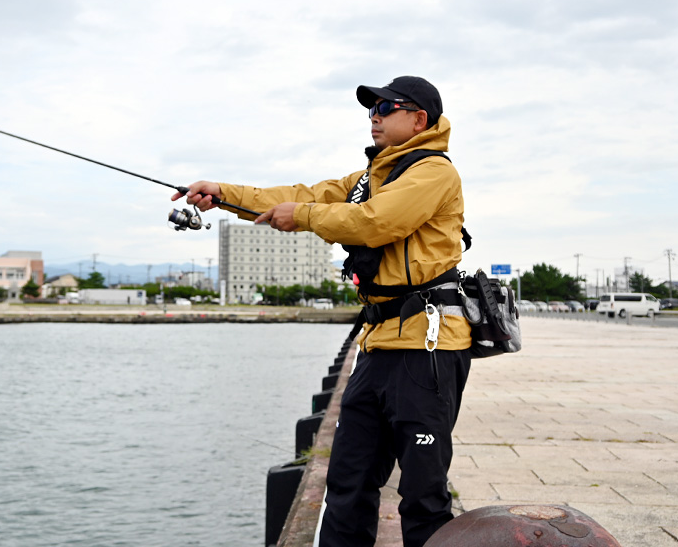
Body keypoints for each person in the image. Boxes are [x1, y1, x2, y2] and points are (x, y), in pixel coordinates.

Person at [172, 76, 472, 547]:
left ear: (419, 119)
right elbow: (302, 194)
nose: (374, 114)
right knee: (347, 483)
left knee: (422, 493)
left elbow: (378, 223)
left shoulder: (434, 172)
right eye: (370, 107)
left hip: (426, 348)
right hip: (377, 345)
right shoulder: (366, 180)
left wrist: (305, 217)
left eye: (386, 106)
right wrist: (222, 193)